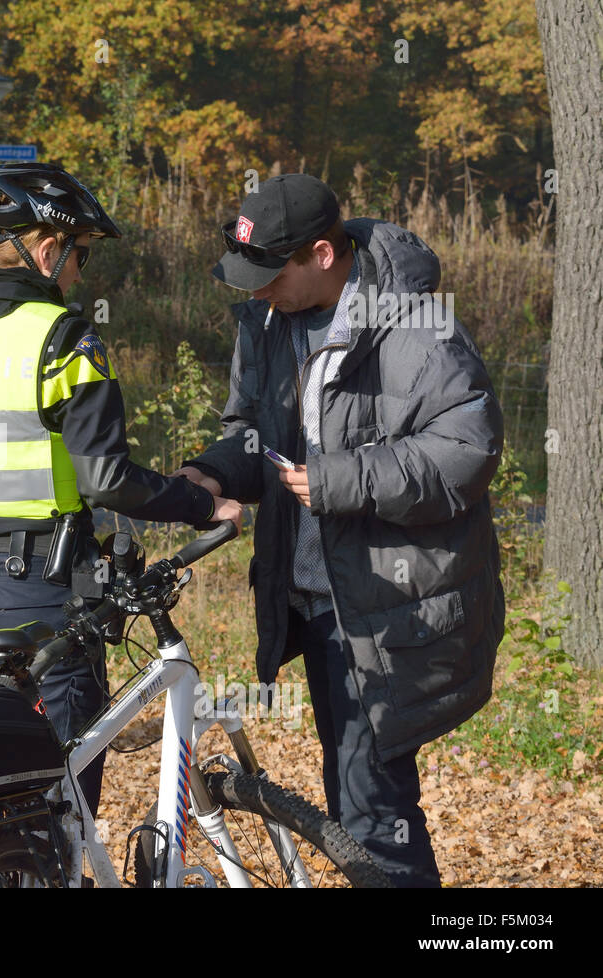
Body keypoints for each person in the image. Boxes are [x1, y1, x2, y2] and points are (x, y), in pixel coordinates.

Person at [0, 162, 243, 820]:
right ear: (45, 250)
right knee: (55, 801)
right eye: (79, 257)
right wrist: (202, 504)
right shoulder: (66, 343)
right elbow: (107, 479)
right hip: (42, 592)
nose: (78, 275)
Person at [173, 173, 504, 887]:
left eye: (269, 274)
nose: (255, 291)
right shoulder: (264, 323)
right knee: (359, 799)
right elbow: (251, 435)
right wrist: (215, 472)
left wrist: (340, 479)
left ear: (323, 254)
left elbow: (468, 451)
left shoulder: (418, 327)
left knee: (370, 814)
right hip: (317, 604)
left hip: (389, 609)